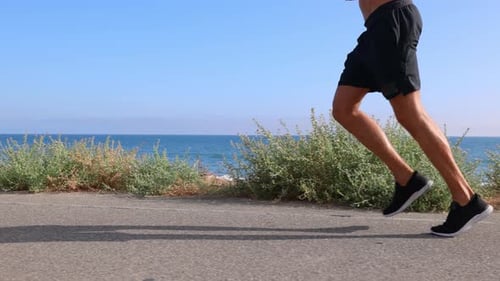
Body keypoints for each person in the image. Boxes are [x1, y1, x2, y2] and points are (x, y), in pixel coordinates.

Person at [332, 0, 493, 237]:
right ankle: (407, 179)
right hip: (375, 30)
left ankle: (466, 199)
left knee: (410, 113)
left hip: (392, 21)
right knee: (344, 109)